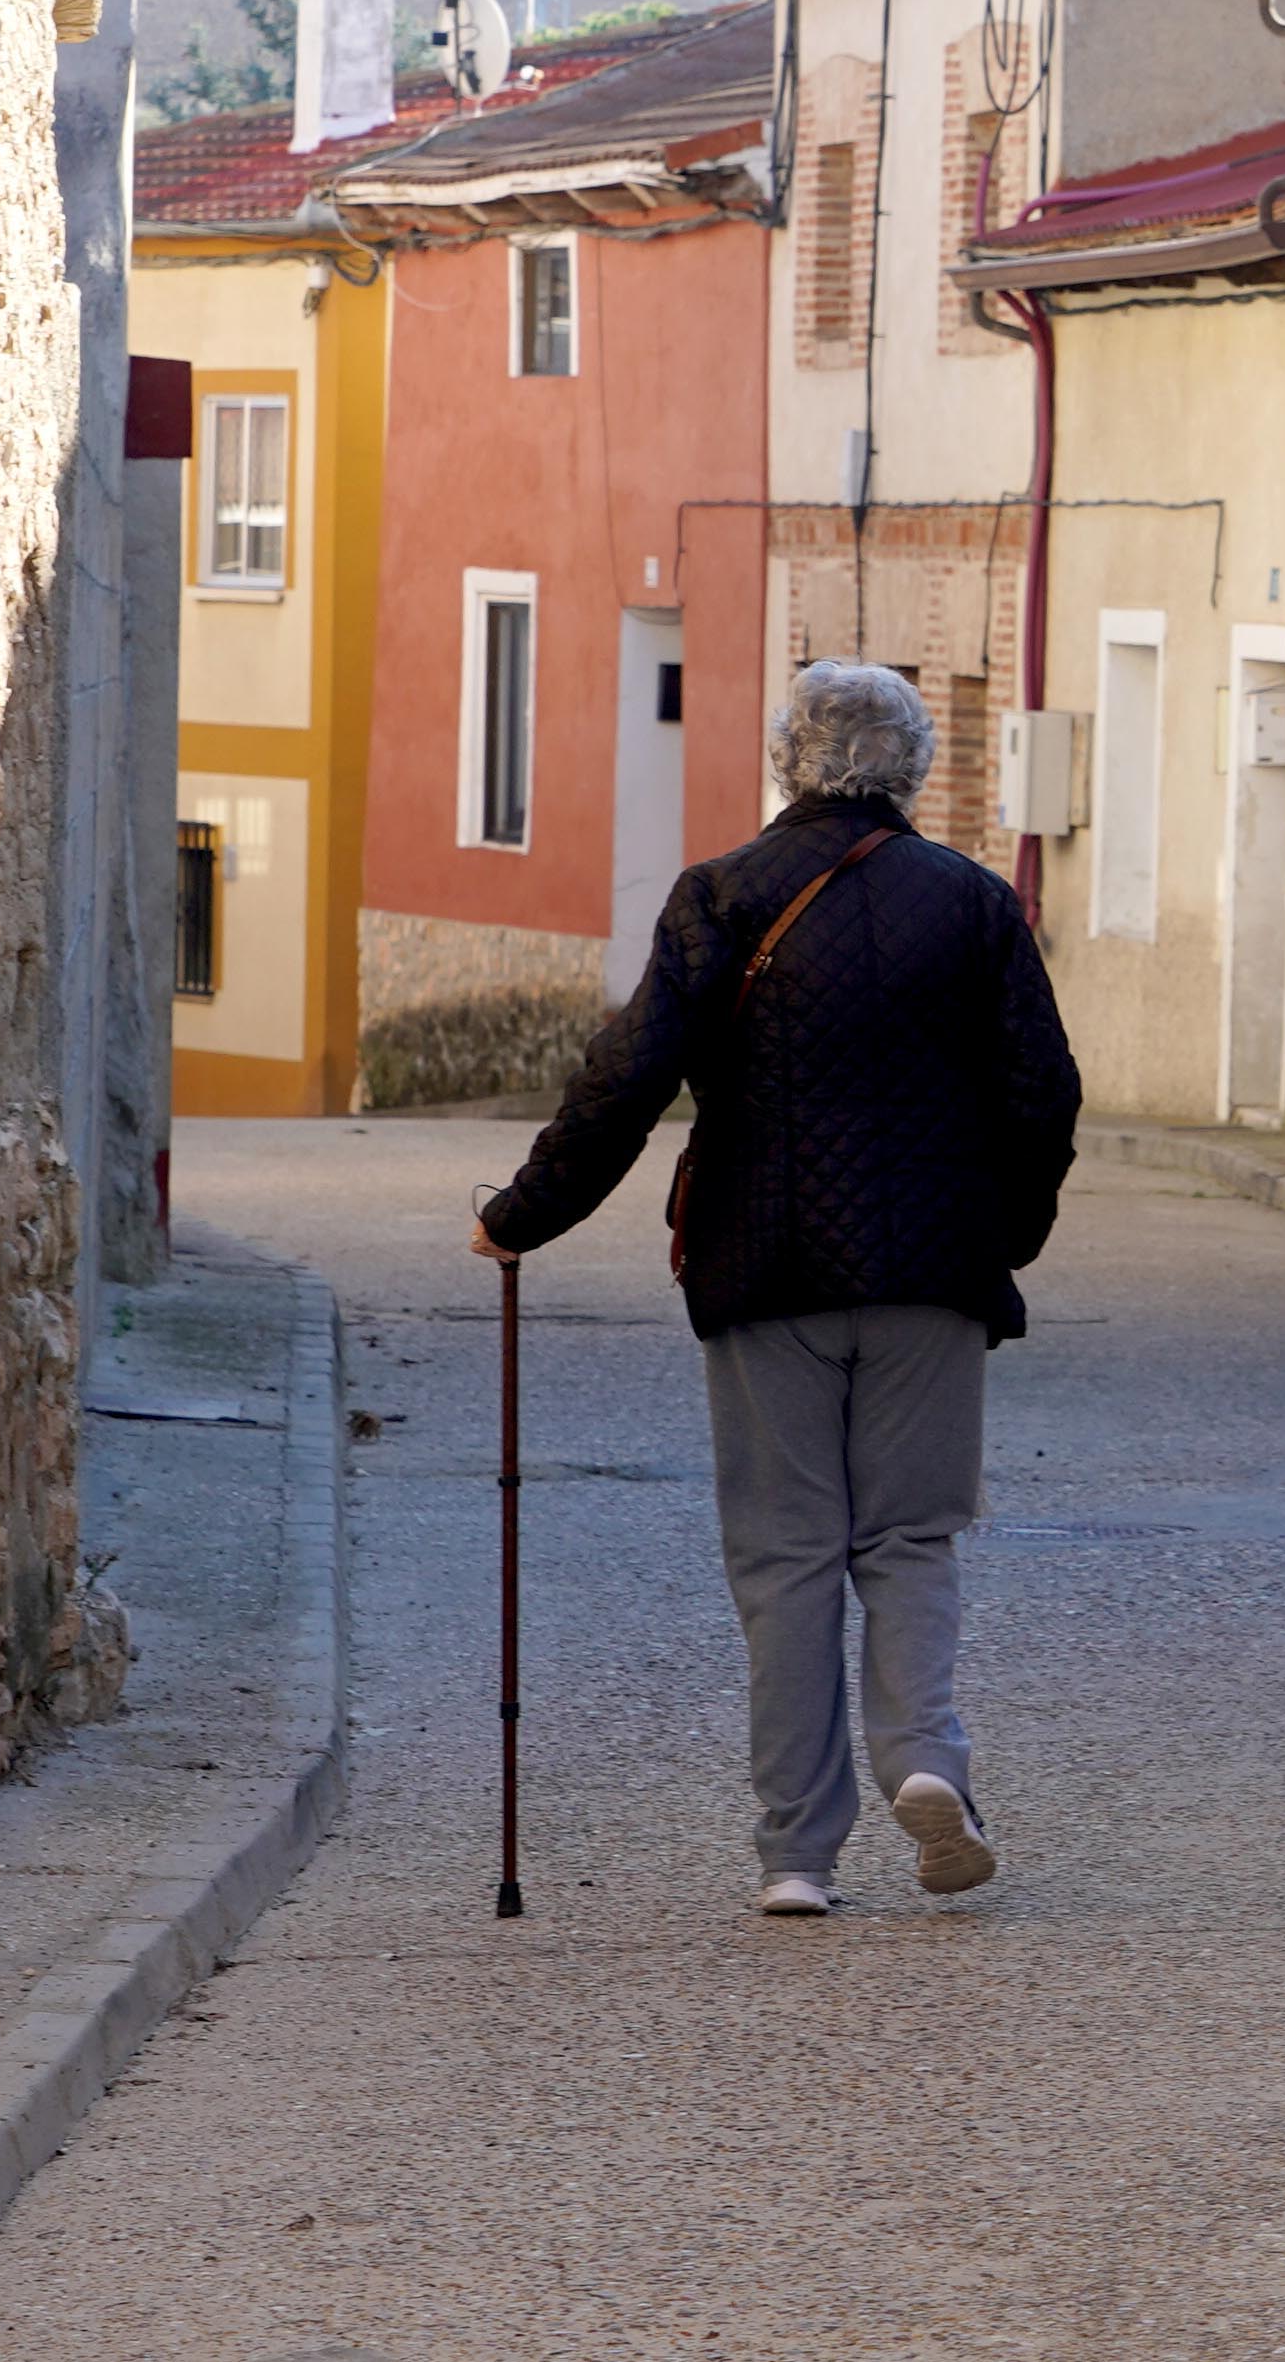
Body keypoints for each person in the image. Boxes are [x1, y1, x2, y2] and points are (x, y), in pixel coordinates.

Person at [471, 660, 1079, 1916]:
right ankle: (926, 1766)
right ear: (911, 767)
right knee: (909, 1539)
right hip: (932, 1281)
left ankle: (797, 1854)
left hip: (766, 1273)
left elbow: (627, 1078)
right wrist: (1000, 1236)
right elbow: (1044, 1094)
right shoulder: (972, 905)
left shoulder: (723, 898)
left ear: (788, 762)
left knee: (788, 1558)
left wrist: (523, 1215)